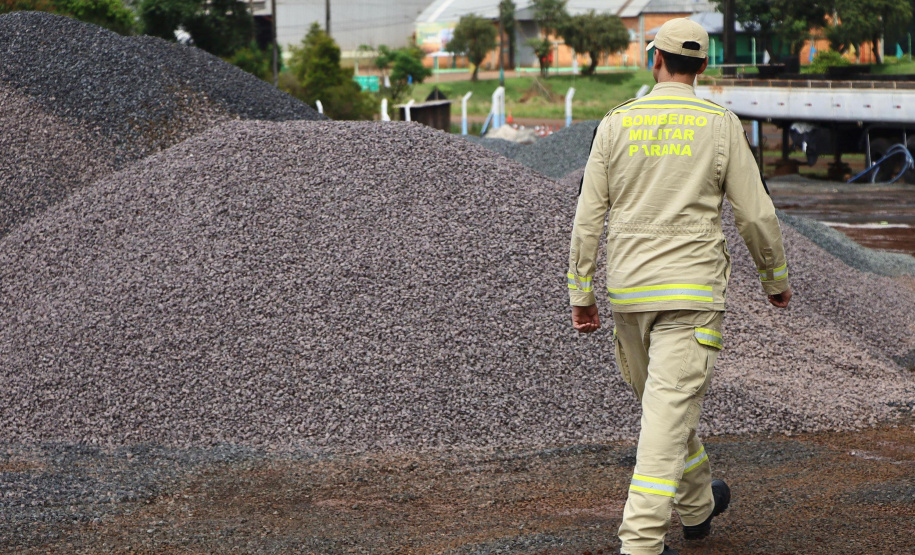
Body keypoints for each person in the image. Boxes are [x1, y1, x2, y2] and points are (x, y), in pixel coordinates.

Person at [566, 18, 792, 555]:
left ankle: (696, 509)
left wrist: (582, 291)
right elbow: (755, 214)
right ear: (704, 66)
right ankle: (641, 543)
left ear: (655, 60)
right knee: (666, 414)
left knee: (664, 409)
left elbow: (587, 216)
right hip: (691, 295)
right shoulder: (721, 124)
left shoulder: (616, 123)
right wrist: (774, 277)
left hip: (630, 293)